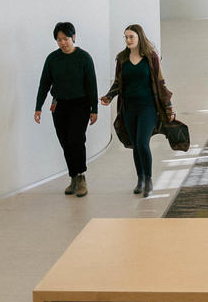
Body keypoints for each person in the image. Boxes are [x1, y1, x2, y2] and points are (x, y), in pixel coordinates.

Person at [99, 24, 174, 197]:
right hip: (128, 109)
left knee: (142, 142)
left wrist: (168, 107)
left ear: (139, 37)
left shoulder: (151, 57)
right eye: (125, 37)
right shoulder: (122, 58)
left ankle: (148, 179)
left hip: (147, 107)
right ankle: (140, 179)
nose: (128, 40)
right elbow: (118, 82)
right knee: (135, 146)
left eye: (131, 36)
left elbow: (160, 82)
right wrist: (109, 97)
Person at [34, 22, 99, 197]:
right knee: (65, 142)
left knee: (76, 139)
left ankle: (81, 176)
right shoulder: (52, 59)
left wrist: (95, 109)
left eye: (66, 38)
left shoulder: (84, 58)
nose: (63, 42)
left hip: (81, 105)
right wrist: (38, 107)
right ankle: (73, 177)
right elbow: (44, 84)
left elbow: (91, 84)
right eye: (59, 39)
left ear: (74, 37)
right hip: (59, 106)